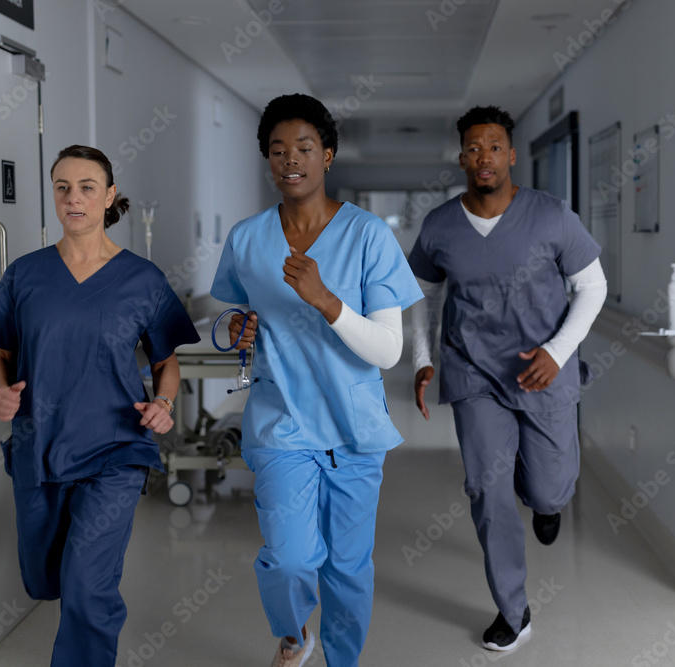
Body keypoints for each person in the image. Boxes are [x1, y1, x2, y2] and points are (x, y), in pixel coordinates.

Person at [210, 93, 422, 667]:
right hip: (282, 423)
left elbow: (387, 350)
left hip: (355, 429)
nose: (290, 160)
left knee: (348, 568)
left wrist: (327, 301)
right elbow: (226, 316)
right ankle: (292, 634)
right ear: (267, 161)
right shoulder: (249, 239)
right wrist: (235, 327)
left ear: (327, 155)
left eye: (303, 147)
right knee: (290, 558)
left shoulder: (369, 236)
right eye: (277, 151)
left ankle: (341, 660)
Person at [0, 145, 199, 666]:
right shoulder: (25, 275)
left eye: (86, 187)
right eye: (62, 188)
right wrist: (0, 390)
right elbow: (0, 356)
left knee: (86, 582)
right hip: (41, 450)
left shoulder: (141, 279)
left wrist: (163, 402)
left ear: (109, 196)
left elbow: (166, 362)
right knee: (45, 578)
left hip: (116, 449)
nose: (73, 198)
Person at [408, 106, 607, 652]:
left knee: (547, 485)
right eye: (473, 148)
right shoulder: (440, 226)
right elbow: (421, 295)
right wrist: (424, 357)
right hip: (473, 373)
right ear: (461, 157)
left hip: (542, 372)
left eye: (494, 146)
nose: (484, 157)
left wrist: (558, 352)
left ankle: (546, 503)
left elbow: (593, 288)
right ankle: (512, 611)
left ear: (511, 154)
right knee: (487, 490)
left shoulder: (551, 216)